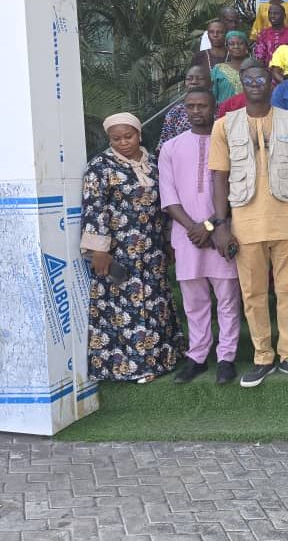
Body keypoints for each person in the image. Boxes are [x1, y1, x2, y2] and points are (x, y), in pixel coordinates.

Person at [207, 59, 288, 388]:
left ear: (271, 83)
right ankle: (263, 357)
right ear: (242, 83)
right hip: (245, 223)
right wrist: (221, 224)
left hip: (286, 219)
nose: (256, 85)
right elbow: (219, 177)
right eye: (250, 80)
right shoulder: (224, 125)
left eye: (261, 80)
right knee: (253, 294)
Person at [82, 113, 180, 383]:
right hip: (120, 252)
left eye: (129, 136)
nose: (123, 142)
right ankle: (134, 367)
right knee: (126, 309)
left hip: (152, 249)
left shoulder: (154, 164)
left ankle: (163, 359)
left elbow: (166, 204)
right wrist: (99, 250)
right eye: (117, 139)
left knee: (156, 303)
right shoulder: (100, 167)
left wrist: (169, 240)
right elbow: (94, 208)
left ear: (139, 134)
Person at [159, 90, 241, 384]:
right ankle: (197, 356)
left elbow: (238, 188)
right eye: (191, 106)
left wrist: (212, 225)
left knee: (228, 298)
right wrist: (195, 227)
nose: (196, 111)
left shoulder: (230, 142)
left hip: (223, 232)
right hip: (187, 235)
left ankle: (227, 357)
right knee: (194, 302)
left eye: (202, 106)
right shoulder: (170, 147)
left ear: (214, 108)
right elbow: (168, 196)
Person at [158, 65, 210, 147]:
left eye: (199, 78)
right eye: (189, 79)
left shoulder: (219, 110)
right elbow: (165, 143)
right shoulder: (175, 112)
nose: (194, 82)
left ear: (210, 83)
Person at [211, 31, 251, 103]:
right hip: (223, 110)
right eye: (232, 44)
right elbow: (212, 96)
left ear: (246, 46)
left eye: (241, 43)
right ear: (227, 47)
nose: (236, 46)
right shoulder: (218, 69)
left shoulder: (255, 69)